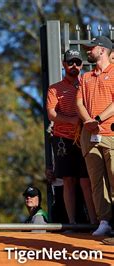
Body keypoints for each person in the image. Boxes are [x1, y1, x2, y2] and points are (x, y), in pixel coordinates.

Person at [46, 49, 97, 225]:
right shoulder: (55, 88)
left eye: (77, 62)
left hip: (85, 137)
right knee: (68, 179)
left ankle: (94, 221)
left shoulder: (87, 83)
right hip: (62, 138)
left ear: (82, 64)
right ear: (64, 64)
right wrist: (72, 120)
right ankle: (72, 222)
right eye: (70, 62)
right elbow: (51, 114)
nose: (74, 66)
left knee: (86, 180)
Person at [76, 36, 114, 236]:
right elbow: (79, 103)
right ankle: (104, 221)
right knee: (96, 181)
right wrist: (89, 121)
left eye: (91, 48)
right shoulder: (86, 77)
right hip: (89, 136)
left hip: (111, 134)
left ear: (102, 50)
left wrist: (97, 118)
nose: (88, 51)